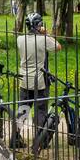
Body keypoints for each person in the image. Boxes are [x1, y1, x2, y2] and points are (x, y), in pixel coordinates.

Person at [14, 12, 61, 146]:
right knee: (41, 110)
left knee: (23, 109)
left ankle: (15, 137)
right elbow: (58, 47)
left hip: (24, 79)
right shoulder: (43, 39)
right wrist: (45, 34)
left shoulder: (20, 39)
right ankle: (41, 140)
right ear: (39, 25)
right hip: (40, 80)